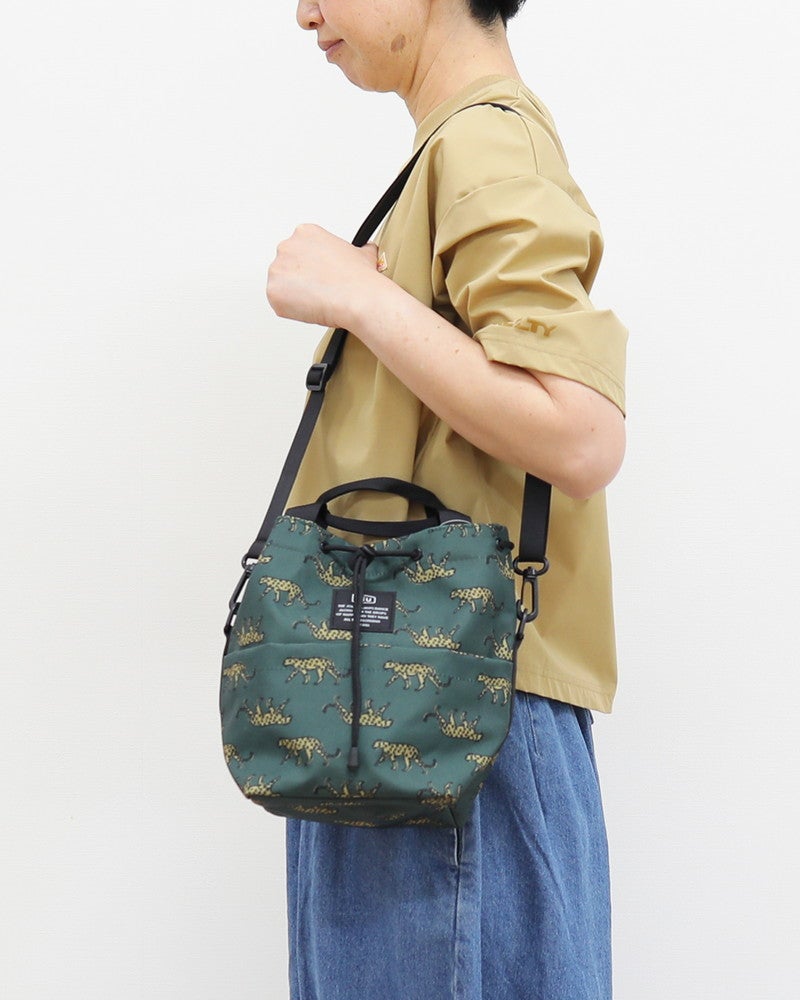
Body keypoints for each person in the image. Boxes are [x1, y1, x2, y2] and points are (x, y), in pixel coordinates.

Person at [266, 2, 627, 998]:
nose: (303, 11)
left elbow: (581, 433)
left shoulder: (483, 144)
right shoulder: (452, 151)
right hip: (402, 706)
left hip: (443, 717)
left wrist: (359, 299)